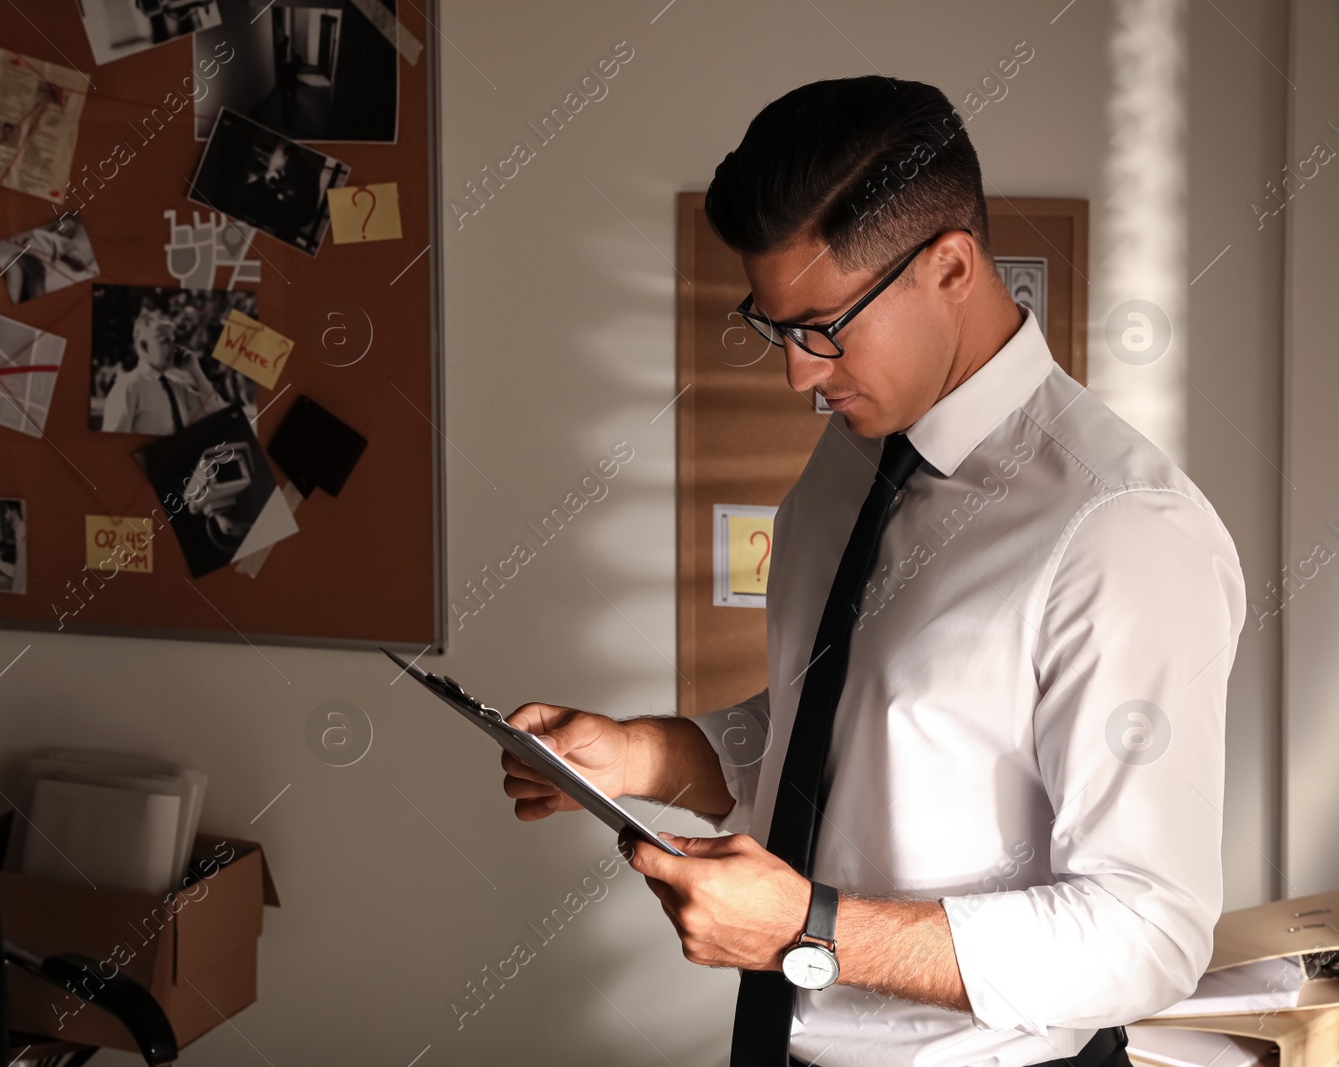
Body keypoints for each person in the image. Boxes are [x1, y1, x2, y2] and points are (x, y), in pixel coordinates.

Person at [500, 77, 1246, 1067]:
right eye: (778, 326)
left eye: (822, 324)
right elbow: (848, 727)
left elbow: (1146, 930)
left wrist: (810, 926)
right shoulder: (854, 453)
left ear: (949, 266)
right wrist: (645, 755)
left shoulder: (1123, 532)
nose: (796, 374)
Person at [99, 308, 226, 435]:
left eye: (173, 341)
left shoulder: (177, 386)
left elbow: (217, 414)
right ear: (144, 346)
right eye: (165, 342)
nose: (174, 348)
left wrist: (195, 369)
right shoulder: (128, 387)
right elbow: (112, 443)